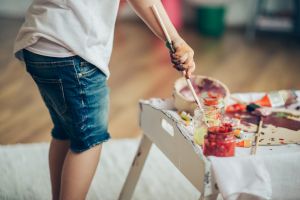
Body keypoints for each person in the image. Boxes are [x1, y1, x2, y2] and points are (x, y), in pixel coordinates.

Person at [14, 0, 195, 199]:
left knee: (66, 129)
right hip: (72, 50)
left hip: (38, 42)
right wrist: (176, 39)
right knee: (89, 140)